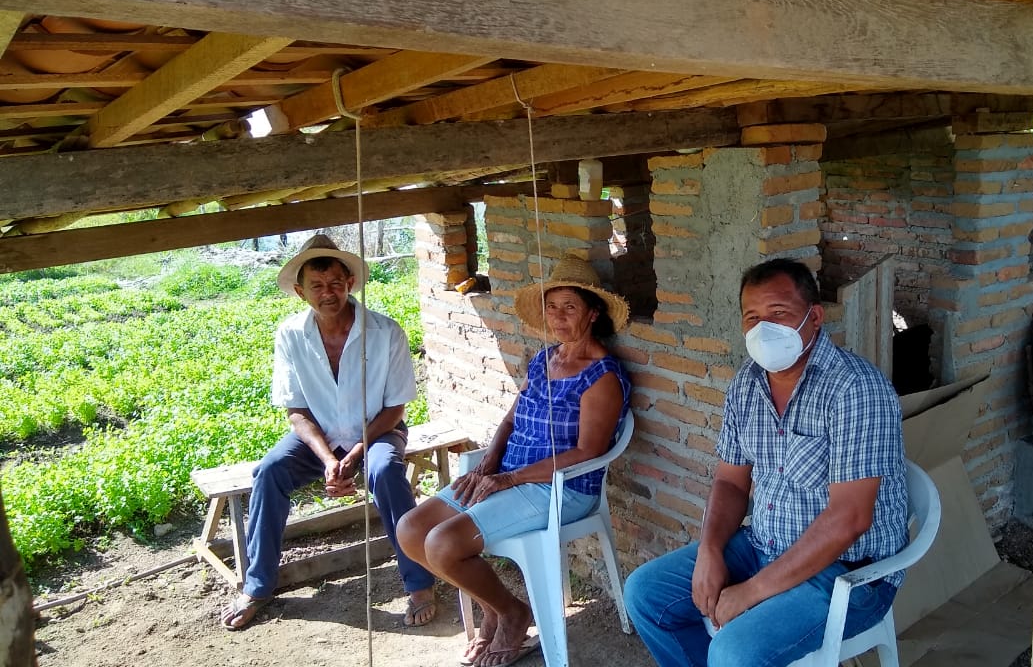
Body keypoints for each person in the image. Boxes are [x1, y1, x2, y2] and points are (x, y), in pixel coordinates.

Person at [624, 258, 908, 667]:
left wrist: (752, 591)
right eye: (752, 318)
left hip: (847, 574)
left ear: (814, 318)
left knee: (733, 652)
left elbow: (850, 518)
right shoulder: (747, 382)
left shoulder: (855, 390)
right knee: (645, 595)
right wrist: (710, 549)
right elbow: (730, 482)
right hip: (763, 545)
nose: (763, 330)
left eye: (778, 314)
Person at [397, 256, 631, 667]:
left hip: (561, 488)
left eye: (570, 307)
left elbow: (587, 452)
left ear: (593, 314)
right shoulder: (544, 359)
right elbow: (512, 416)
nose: (558, 317)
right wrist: (489, 462)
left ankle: (512, 614)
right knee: (412, 529)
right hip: (508, 476)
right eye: (551, 307)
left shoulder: (602, 375)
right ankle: (493, 607)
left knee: (443, 543)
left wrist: (510, 479)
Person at [219, 234, 437, 630]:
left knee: (386, 472)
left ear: (350, 283)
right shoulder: (290, 335)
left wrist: (353, 456)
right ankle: (257, 585)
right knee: (269, 473)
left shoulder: (386, 332)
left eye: (336, 283)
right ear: (301, 292)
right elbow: (297, 411)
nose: (328, 293)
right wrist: (328, 459)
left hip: (377, 432)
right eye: (317, 286)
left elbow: (395, 408)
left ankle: (419, 582)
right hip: (318, 438)